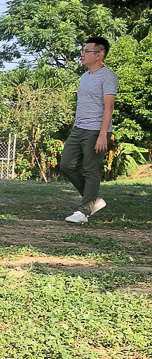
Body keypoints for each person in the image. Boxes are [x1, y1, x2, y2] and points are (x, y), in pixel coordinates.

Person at [60, 36, 118, 224]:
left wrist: (103, 134)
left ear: (99, 55)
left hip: (96, 130)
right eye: (83, 51)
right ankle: (94, 200)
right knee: (66, 165)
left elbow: (108, 107)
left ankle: (83, 212)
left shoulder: (107, 76)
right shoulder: (85, 76)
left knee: (91, 170)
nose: (82, 54)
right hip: (79, 128)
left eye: (87, 51)